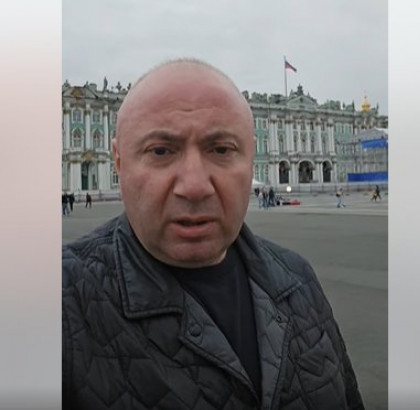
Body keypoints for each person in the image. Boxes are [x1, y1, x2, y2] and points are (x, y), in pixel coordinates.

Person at [62, 58, 364, 410]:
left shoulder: (299, 279)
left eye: (221, 150)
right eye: (160, 151)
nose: (194, 186)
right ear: (118, 160)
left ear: (251, 156)